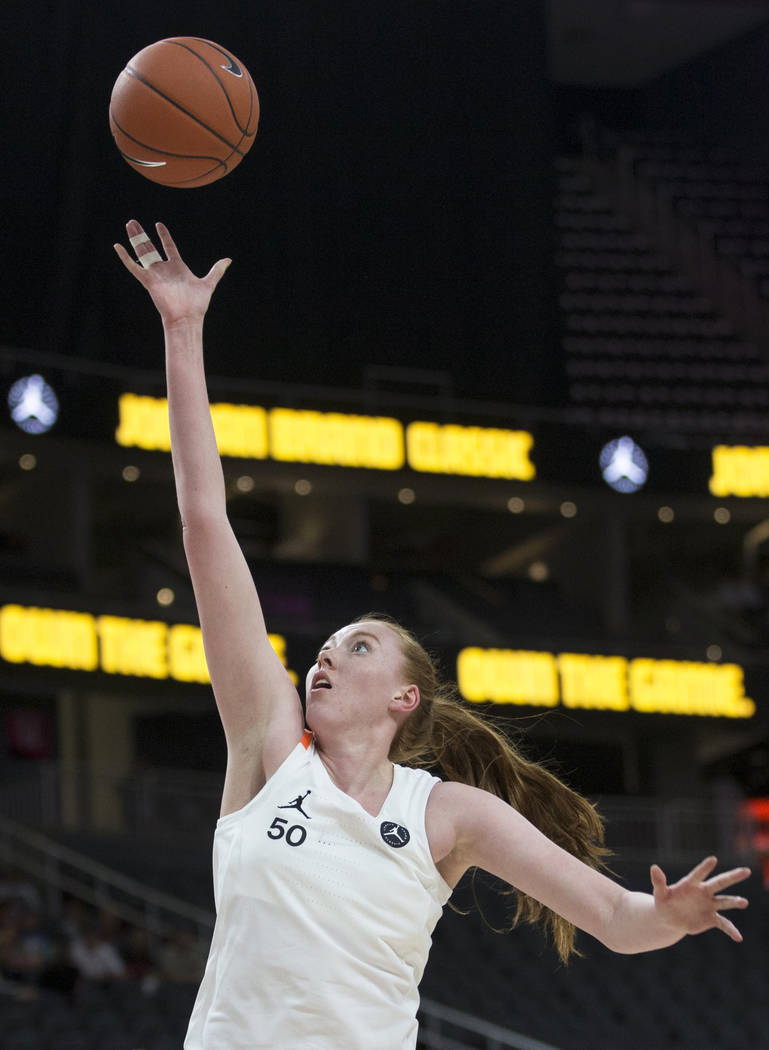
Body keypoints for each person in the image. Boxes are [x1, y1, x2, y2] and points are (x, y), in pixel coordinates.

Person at [115, 221, 751, 1050]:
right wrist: (181, 330)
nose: (325, 655)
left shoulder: (447, 813)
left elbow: (615, 921)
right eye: (327, 646)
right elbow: (205, 524)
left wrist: (669, 916)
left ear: (403, 698)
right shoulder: (269, 745)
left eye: (357, 646)